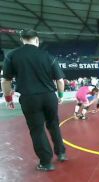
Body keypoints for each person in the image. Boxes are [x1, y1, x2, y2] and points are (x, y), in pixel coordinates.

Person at [1, 29, 67, 171]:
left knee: (37, 130)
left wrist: (8, 98)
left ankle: (46, 162)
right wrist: (60, 95)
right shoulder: (48, 56)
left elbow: (5, 81)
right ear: (37, 40)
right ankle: (61, 153)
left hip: (29, 98)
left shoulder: (12, 55)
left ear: (21, 39)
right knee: (54, 124)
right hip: (49, 96)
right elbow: (60, 80)